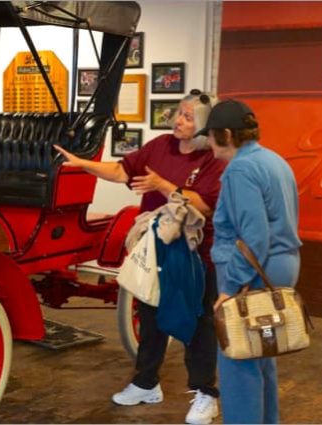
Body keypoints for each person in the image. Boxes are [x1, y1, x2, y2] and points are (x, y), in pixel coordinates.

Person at [54, 89, 226, 425]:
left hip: (196, 256)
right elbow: (122, 171)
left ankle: (206, 394)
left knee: (198, 324)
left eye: (188, 116)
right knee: (150, 316)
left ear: (204, 125)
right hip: (156, 249)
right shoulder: (160, 146)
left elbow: (204, 205)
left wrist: (162, 184)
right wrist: (83, 164)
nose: (178, 120)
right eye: (179, 113)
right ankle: (146, 383)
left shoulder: (212, 159)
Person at [200, 100, 302, 424]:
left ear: (227, 134)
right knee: (261, 354)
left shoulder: (241, 169)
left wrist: (230, 287)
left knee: (238, 359)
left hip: (255, 271)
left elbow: (254, 236)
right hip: (281, 265)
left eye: (212, 136)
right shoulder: (273, 160)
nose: (209, 143)